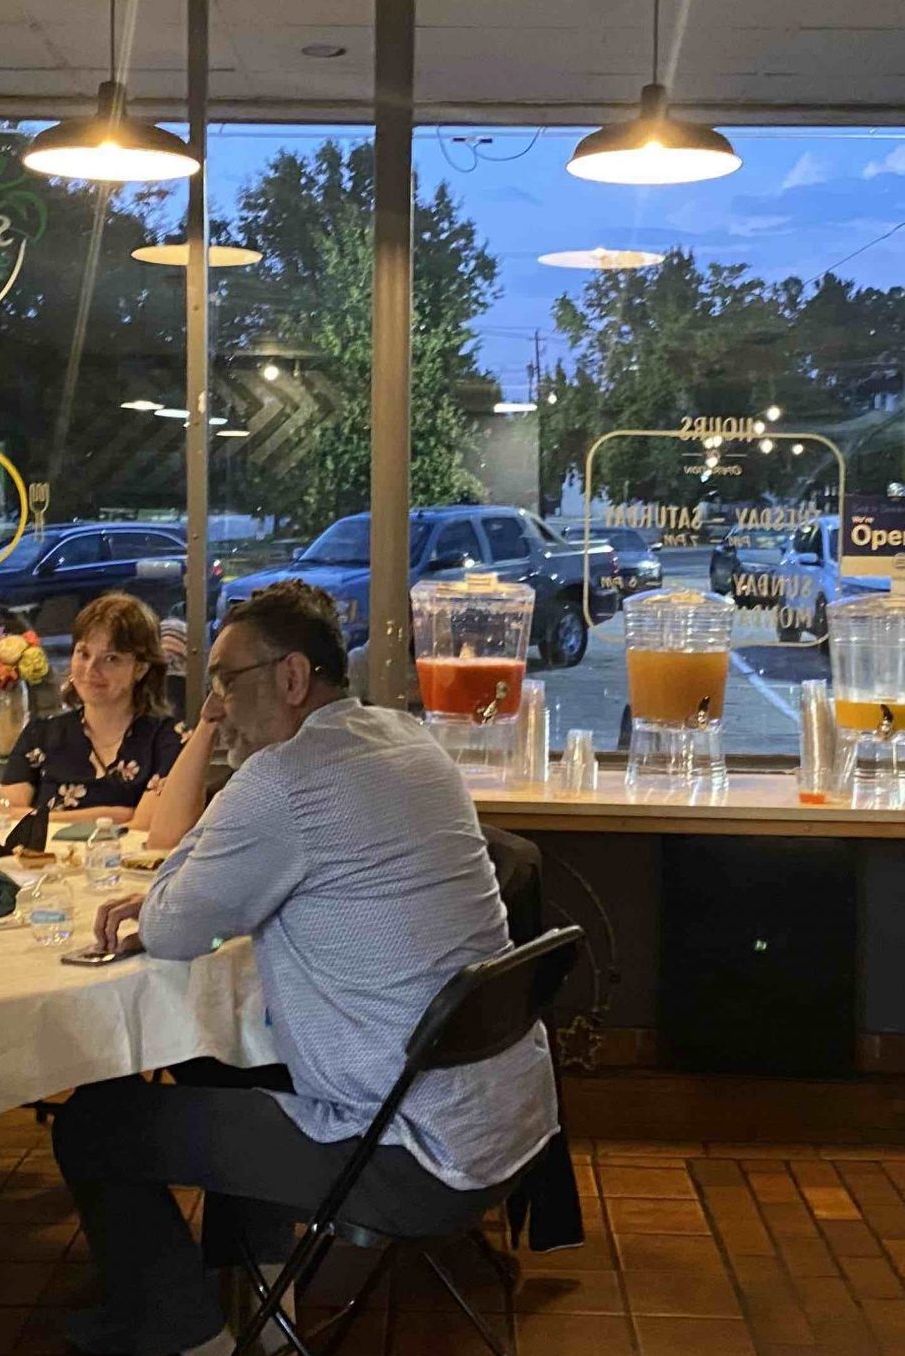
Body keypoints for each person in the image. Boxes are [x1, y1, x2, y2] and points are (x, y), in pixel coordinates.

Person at [52, 581, 558, 1356]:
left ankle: (184, 1333)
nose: (213, 706)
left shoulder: (281, 780)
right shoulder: (407, 738)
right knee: (228, 1073)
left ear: (291, 678)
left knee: (94, 1123)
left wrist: (219, 809)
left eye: (225, 681)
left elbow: (177, 926)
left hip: (405, 1152)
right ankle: (266, 1297)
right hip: (506, 1124)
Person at [0, 593, 198, 831]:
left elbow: (145, 827)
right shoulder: (39, 735)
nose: (91, 669)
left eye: (111, 658)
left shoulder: (171, 739)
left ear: (140, 669)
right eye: (83, 654)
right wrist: (110, 815)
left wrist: (39, 817)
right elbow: (5, 815)